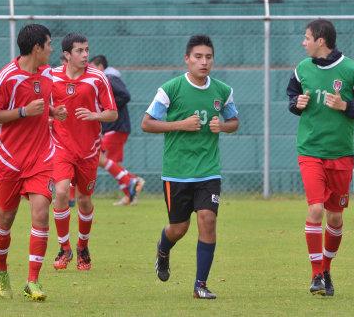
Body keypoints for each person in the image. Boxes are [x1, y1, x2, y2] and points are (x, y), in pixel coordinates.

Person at [141, 34, 239, 299]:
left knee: (208, 220)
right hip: (177, 172)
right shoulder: (170, 89)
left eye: (208, 57)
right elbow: (147, 123)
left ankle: (200, 285)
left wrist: (224, 126)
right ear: (187, 59)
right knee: (179, 228)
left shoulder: (222, 90)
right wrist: (179, 124)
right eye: (198, 57)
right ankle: (163, 249)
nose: (203, 62)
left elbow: (234, 121)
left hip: (209, 171)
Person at [286, 19, 354, 296]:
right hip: (310, 150)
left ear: (321, 41)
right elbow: (292, 96)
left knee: (335, 217)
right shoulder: (302, 69)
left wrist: (345, 105)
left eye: (306, 38)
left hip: (340, 154)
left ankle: (326, 270)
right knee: (315, 209)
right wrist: (296, 104)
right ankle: (316, 276)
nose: (303, 42)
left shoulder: (353, 71)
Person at [0, 23, 67, 301]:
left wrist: (53, 112)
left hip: (41, 157)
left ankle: (33, 280)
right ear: (36, 48)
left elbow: (42, 107)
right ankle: (0, 269)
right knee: (6, 216)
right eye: (49, 45)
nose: (52, 50)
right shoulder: (6, 76)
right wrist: (22, 111)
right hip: (8, 159)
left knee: (42, 212)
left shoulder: (47, 75)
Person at [50, 33, 117, 271]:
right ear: (67, 54)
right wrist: (50, 115)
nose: (85, 55)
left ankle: (83, 246)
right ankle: (64, 247)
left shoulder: (98, 78)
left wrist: (94, 115)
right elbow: (44, 106)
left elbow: (112, 113)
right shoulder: (52, 76)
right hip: (60, 146)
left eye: (87, 49)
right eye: (79, 50)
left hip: (89, 149)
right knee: (60, 193)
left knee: (84, 200)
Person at [89, 55, 145, 206]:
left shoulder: (109, 79)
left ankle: (131, 180)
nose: (90, 70)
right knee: (112, 163)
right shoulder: (106, 79)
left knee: (100, 159)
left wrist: (108, 105)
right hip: (113, 127)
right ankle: (130, 196)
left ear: (100, 66)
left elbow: (125, 96)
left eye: (92, 66)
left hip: (116, 126)